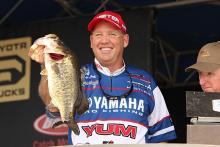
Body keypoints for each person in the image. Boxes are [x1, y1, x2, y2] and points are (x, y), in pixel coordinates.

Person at [29, 10, 176, 145]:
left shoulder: (145, 81)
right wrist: (45, 65)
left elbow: (161, 138)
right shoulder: (77, 75)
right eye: (98, 35)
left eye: (112, 34)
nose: (104, 40)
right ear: (91, 42)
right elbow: (51, 103)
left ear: (125, 40)